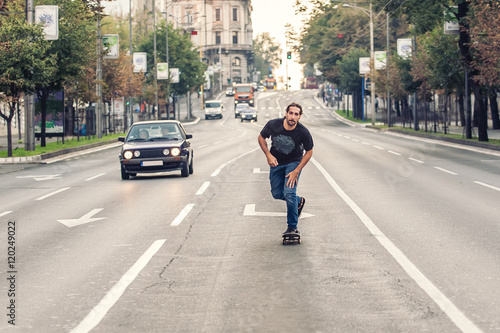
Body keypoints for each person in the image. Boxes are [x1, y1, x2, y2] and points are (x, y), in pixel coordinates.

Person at [258, 102, 314, 235]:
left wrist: (296, 170)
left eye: (296, 114)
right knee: (277, 193)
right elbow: (261, 137)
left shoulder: (303, 132)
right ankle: (298, 201)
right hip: (276, 163)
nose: (292, 117)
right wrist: (268, 155)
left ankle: (292, 227)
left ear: (299, 117)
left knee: (289, 192)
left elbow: (309, 152)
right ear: (285, 113)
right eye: (291, 113)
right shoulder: (273, 125)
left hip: (293, 163)